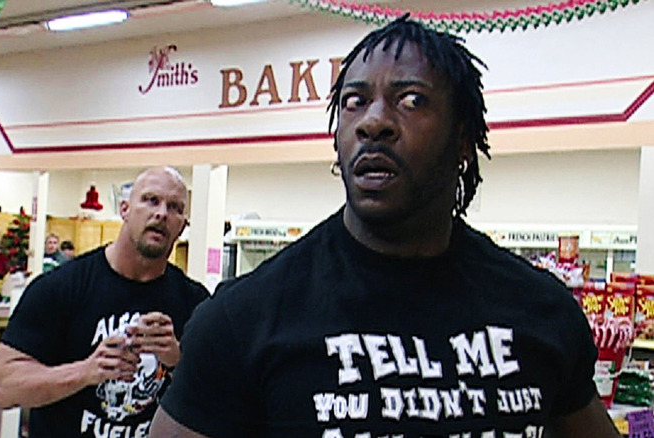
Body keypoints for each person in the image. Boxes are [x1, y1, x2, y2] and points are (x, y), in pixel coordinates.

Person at [150, 16, 620, 438]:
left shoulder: (541, 310)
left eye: (411, 100)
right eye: (354, 101)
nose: (374, 122)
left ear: (462, 138)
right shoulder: (242, 319)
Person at [0, 166, 210, 438]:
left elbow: (219, 402)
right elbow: (3, 389)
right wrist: (87, 371)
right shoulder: (60, 288)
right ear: (125, 209)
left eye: (175, 207)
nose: (162, 213)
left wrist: (178, 362)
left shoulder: (195, 302)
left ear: (183, 226)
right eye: (151, 200)